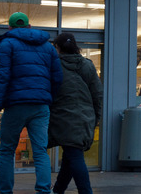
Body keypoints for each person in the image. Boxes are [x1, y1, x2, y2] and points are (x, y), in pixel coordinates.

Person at [0, 12, 63, 194]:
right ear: (29, 26)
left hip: (16, 105)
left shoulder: (7, 44)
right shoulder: (48, 47)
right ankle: (43, 190)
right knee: (40, 151)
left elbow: (2, 76)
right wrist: (49, 98)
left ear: (9, 28)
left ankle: (6, 191)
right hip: (40, 106)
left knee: (7, 150)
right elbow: (57, 77)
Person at [47, 33, 103, 194]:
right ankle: (58, 190)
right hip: (85, 116)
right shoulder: (88, 65)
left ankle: (86, 191)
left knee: (74, 155)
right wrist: (95, 117)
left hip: (63, 116)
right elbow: (97, 94)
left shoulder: (55, 66)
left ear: (57, 48)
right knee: (70, 155)